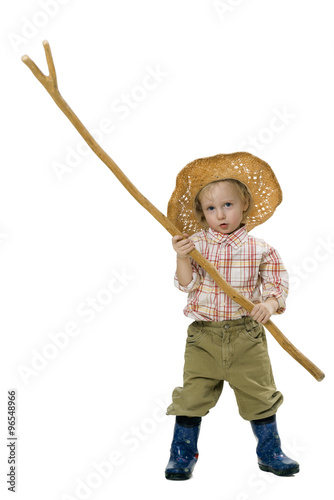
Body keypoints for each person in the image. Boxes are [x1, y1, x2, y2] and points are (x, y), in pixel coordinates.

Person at [164, 152, 299, 480]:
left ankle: (270, 450)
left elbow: (277, 284)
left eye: (228, 205)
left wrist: (268, 305)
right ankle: (182, 452)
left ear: (245, 206)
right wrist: (182, 258)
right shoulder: (194, 245)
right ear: (201, 213)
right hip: (203, 337)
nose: (220, 214)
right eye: (211, 208)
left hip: (246, 336)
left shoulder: (259, 248)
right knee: (192, 396)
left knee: (260, 394)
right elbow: (186, 284)